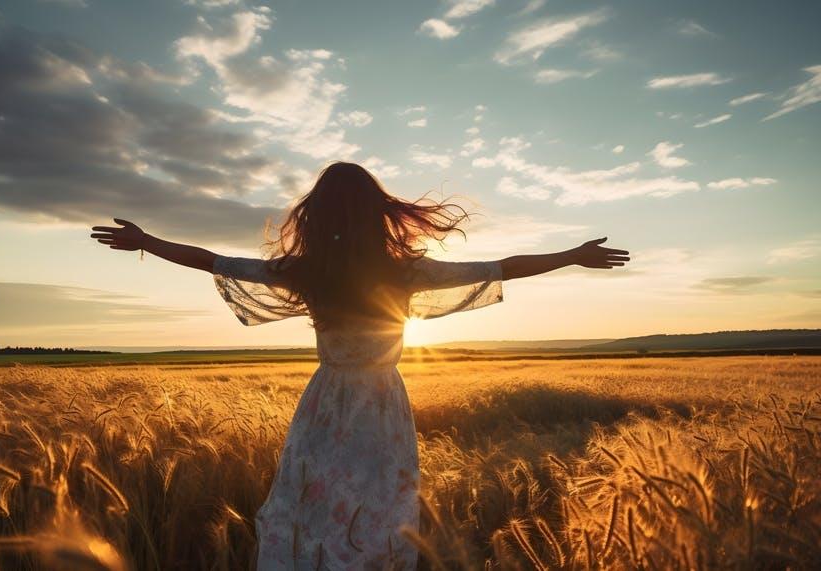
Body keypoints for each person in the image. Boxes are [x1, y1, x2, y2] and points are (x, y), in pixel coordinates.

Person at [90, 161, 629, 570]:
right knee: (381, 506)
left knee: (311, 501)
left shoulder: (306, 270)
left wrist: (146, 242)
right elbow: (500, 267)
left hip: (324, 402)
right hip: (382, 406)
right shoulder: (402, 273)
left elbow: (215, 261)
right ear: (379, 214)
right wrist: (569, 256)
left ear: (317, 217)